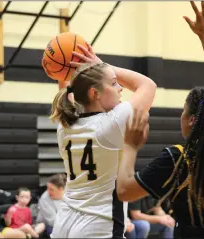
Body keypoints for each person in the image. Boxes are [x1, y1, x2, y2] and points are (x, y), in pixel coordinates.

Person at [116, 2, 204, 238]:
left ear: (191, 120)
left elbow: (125, 191)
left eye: (183, 110)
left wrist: (129, 146)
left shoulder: (177, 159)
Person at [49, 40, 156, 239]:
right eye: (114, 83)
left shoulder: (65, 125)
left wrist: (70, 73)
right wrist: (102, 65)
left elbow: (66, 92)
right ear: (94, 93)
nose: (120, 88)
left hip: (64, 221)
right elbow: (147, 85)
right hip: (98, 223)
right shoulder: (111, 124)